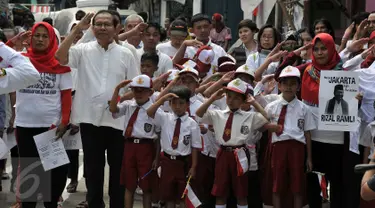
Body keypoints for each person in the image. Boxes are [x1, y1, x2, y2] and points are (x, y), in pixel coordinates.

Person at [55, 11, 139, 208]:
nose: (102, 28)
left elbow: (135, 87)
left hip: (117, 120)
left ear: (116, 28)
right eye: (98, 24)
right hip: (90, 119)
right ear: (92, 28)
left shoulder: (127, 53)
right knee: (93, 170)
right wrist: (78, 28)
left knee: (117, 168)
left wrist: (118, 101)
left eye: (107, 24)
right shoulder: (82, 50)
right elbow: (60, 57)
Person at [275, 33, 359, 208]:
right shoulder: (305, 70)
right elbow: (279, 74)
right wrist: (295, 53)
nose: (320, 53)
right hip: (312, 139)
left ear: (331, 50)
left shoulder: (344, 74)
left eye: (324, 49)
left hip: (337, 139)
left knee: (337, 183)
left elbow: (350, 108)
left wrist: (356, 101)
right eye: (316, 49)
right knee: (313, 182)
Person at [196, 78, 277, 208]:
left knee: (241, 192)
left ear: (244, 100)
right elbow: (199, 113)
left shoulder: (249, 116)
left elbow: (266, 117)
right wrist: (212, 98)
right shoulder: (218, 114)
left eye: (236, 98)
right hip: (223, 153)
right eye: (229, 96)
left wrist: (254, 103)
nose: (231, 100)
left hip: (240, 153)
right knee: (220, 191)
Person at [15, 22, 72, 208]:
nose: (40, 39)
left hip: (50, 127)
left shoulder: (61, 64)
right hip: (25, 125)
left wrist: (64, 121)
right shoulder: (21, 60)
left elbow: (65, 95)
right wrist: (15, 41)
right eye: (36, 35)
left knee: (56, 173)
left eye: (44, 36)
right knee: (31, 172)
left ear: (52, 39)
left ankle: (51, 204)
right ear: (31, 38)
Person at [265, 66, 315, 208]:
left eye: (293, 83)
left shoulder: (304, 108)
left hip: (297, 149)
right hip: (278, 148)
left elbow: (307, 133)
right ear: (279, 86)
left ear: (298, 86)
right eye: (285, 83)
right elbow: (263, 126)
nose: (288, 87)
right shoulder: (271, 107)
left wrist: (309, 158)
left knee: (297, 185)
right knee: (277, 184)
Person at [109, 75, 160, 208]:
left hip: (146, 148)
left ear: (151, 92)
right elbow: (113, 109)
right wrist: (117, 90)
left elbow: (159, 135)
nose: (138, 94)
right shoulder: (128, 105)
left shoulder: (155, 110)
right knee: (129, 185)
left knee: (146, 187)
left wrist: (156, 157)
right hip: (129, 146)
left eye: (142, 90)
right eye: (135, 90)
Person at [147, 85, 201, 208]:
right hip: (167, 162)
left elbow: (195, 147)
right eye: (174, 103)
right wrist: (163, 99)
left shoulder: (192, 123)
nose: (177, 107)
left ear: (187, 104)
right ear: (169, 104)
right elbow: (150, 112)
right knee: (168, 196)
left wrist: (194, 166)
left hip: (183, 163)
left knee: (182, 197)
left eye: (181, 103)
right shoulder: (165, 117)